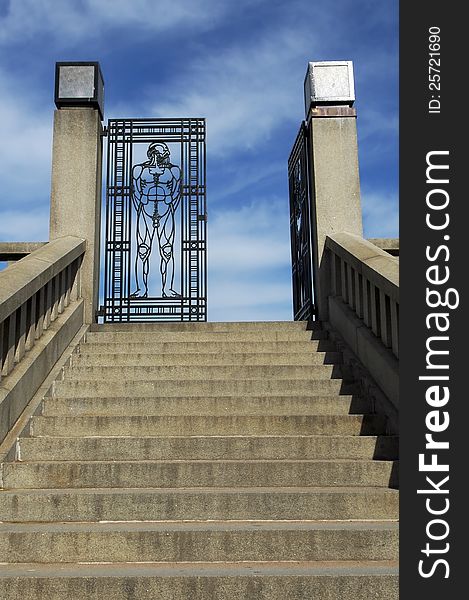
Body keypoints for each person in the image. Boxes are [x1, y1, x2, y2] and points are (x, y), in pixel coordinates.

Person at [130, 142, 181, 298]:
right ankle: (141, 290)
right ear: (152, 153)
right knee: (142, 250)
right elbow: (134, 191)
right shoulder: (139, 170)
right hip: (146, 211)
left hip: (166, 212)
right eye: (161, 152)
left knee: (167, 251)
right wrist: (142, 199)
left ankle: (167, 289)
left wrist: (169, 200)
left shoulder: (174, 170)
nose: (164, 155)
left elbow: (178, 192)